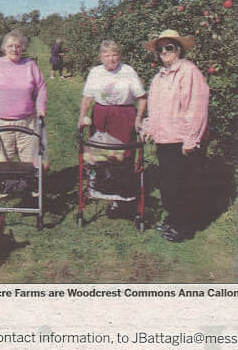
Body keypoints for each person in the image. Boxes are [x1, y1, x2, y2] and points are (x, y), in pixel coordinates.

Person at [140, 28, 209, 242]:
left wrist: (191, 139)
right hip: (164, 139)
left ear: (178, 49)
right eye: (160, 50)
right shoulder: (159, 77)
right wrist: (148, 128)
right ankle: (174, 221)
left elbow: (197, 106)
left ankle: (184, 228)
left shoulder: (189, 72)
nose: (164, 52)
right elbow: (154, 107)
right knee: (169, 186)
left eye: (168, 48)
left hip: (182, 140)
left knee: (184, 187)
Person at [78, 39, 147, 215]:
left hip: (123, 116)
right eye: (107, 55)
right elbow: (87, 97)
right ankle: (101, 186)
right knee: (100, 153)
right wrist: (82, 116)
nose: (111, 59)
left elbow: (141, 97)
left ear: (119, 55)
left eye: (115, 54)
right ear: (101, 56)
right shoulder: (95, 72)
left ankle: (121, 196)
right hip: (101, 115)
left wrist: (139, 118)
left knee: (122, 155)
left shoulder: (127, 71)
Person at [0, 32, 47, 199]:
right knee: (2, 157)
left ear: (23, 47)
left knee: (29, 157)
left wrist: (40, 108)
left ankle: (30, 185)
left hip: (27, 120)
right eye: (10, 46)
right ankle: (2, 189)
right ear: (4, 48)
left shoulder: (30, 65)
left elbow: (41, 87)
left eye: (18, 46)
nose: (14, 49)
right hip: (0, 121)